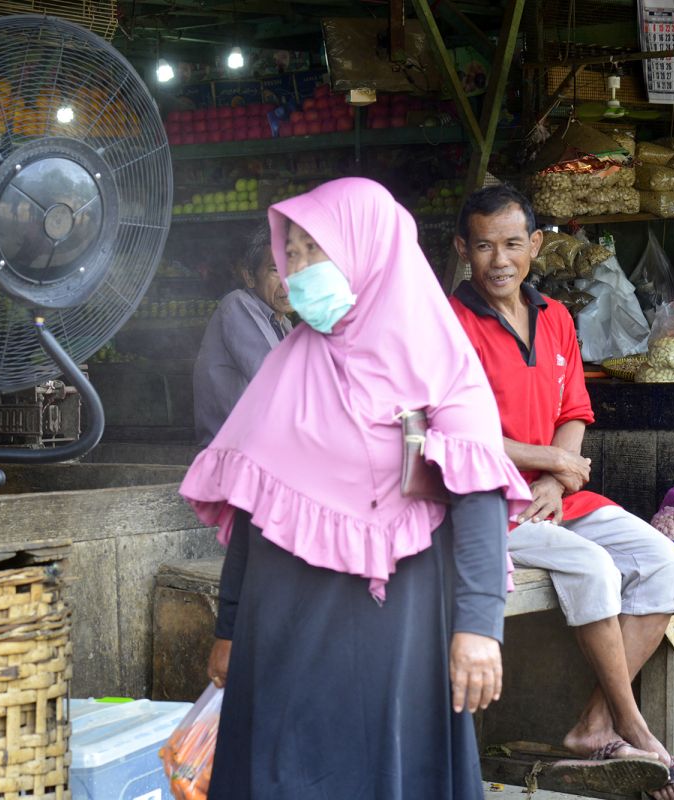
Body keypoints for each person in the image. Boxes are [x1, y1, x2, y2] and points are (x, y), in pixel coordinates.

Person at [179, 178, 533, 799]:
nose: (299, 270)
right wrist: (230, 628)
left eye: (317, 250)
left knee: (381, 770)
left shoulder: (440, 362)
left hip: (394, 628)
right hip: (280, 629)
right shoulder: (289, 364)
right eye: (293, 253)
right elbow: (253, 500)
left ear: (370, 249)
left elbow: (477, 499)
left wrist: (479, 628)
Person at [449, 185, 674, 800]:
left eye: (513, 243)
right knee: (594, 566)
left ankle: (594, 724)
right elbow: (458, 433)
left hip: (554, 495)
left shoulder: (556, 317)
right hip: (485, 504)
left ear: (536, 245)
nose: (499, 260)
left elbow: (574, 408)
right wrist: (557, 464)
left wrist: (557, 477)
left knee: (665, 562)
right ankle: (635, 727)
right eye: (483, 246)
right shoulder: (449, 326)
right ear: (463, 249)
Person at [191, 225, 293, 445]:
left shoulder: (282, 323)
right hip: (235, 455)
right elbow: (278, 384)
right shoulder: (236, 305)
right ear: (249, 276)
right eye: (276, 270)